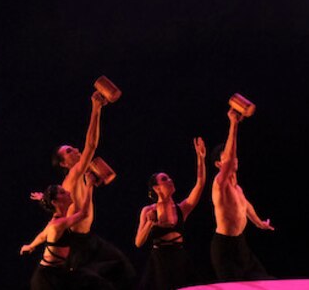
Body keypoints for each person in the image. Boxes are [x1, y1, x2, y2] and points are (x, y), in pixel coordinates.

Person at [49, 91, 135, 289]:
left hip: (89, 239)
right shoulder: (73, 175)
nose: (75, 151)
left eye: (73, 148)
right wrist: (96, 109)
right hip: (77, 243)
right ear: (63, 163)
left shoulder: (79, 178)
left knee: (122, 268)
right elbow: (91, 145)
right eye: (68, 151)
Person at [135, 137, 207, 290]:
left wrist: (200, 158)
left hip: (179, 258)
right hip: (159, 260)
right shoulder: (148, 211)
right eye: (164, 179)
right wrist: (150, 223)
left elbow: (200, 184)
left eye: (169, 177)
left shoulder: (182, 208)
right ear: (156, 188)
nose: (170, 180)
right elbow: (138, 242)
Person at [211, 108, 273, 281]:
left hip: (241, 245)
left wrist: (259, 223)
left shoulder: (237, 188)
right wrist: (233, 124)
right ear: (218, 163)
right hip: (225, 248)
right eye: (228, 156)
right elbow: (230, 159)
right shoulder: (219, 183)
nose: (233, 157)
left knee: (264, 281)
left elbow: (246, 207)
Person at [22, 184, 113, 290]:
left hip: (58, 274)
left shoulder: (57, 221)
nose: (68, 193)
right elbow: (83, 213)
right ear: (55, 202)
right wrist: (89, 186)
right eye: (62, 192)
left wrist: (30, 246)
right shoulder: (57, 224)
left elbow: (43, 236)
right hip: (46, 280)